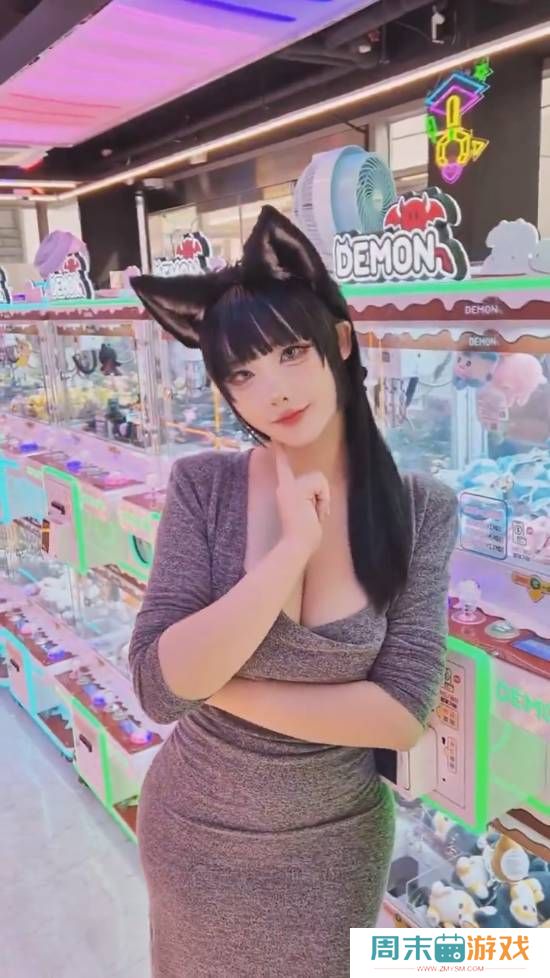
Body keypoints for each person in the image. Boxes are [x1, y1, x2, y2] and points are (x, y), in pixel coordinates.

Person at [129, 206, 458, 978]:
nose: (272, 389)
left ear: (339, 343)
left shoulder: (421, 509)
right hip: (193, 832)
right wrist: (289, 555)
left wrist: (218, 685)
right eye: (242, 374)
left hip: (333, 849)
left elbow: (399, 714)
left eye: (290, 352)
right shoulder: (204, 487)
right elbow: (158, 689)